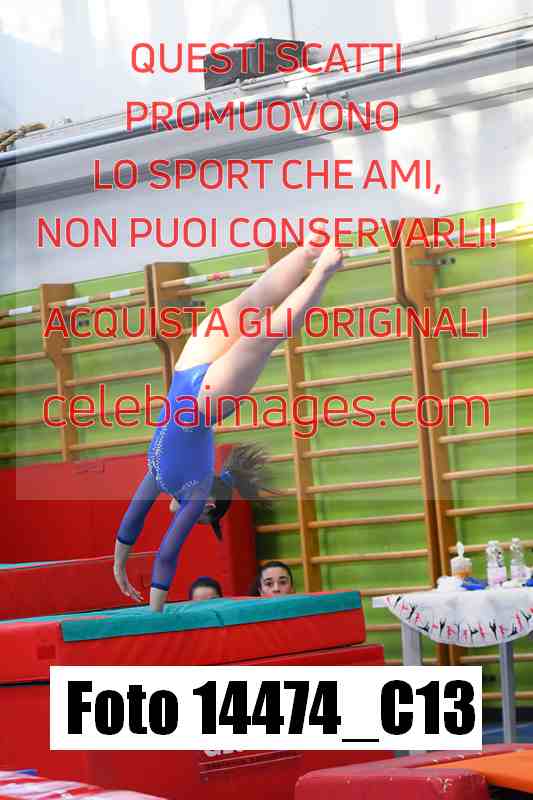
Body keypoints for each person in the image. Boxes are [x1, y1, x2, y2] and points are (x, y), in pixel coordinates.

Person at [113, 238, 344, 612]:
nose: (191, 518)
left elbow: (134, 522)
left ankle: (309, 253)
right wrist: (149, 606)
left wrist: (120, 566)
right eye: (201, 519)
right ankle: (319, 266)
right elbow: (164, 550)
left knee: (253, 306)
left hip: (191, 374)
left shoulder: (164, 479)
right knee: (262, 329)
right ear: (208, 504)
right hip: (197, 391)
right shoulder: (189, 489)